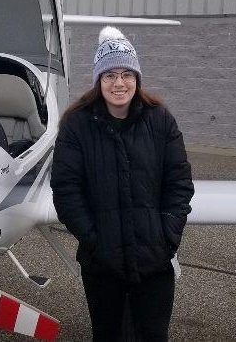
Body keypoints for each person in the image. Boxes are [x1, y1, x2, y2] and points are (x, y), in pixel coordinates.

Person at [51, 26, 194, 341]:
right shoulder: (77, 125)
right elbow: (66, 190)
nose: (119, 83)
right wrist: (95, 240)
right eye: (110, 75)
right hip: (102, 264)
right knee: (108, 335)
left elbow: (179, 183)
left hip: (155, 260)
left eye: (127, 74)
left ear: (137, 78)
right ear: (98, 80)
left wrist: (166, 237)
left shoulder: (161, 120)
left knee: (152, 335)